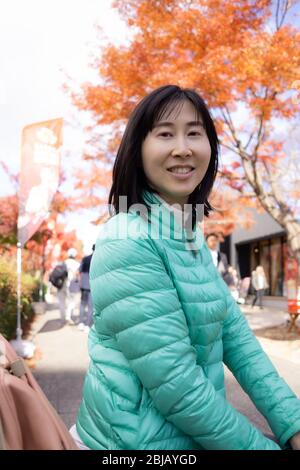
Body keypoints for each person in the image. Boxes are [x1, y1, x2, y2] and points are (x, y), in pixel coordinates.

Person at [70, 85, 300, 450]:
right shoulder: (128, 236)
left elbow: (237, 340)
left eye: (195, 133)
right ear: (138, 149)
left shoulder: (187, 233)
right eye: (165, 133)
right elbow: (178, 387)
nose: (183, 148)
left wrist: (292, 422)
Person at [57, 248, 80, 326]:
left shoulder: (63, 262)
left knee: (62, 302)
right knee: (73, 301)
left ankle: (62, 319)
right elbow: (78, 275)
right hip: (72, 285)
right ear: (75, 255)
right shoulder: (77, 264)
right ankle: (69, 315)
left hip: (61, 284)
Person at [77, 245, 95, 332]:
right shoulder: (99, 260)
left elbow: (79, 270)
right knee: (91, 306)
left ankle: (81, 323)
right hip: (92, 286)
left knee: (82, 304)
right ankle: (88, 325)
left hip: (84, 285)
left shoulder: (85, 258)